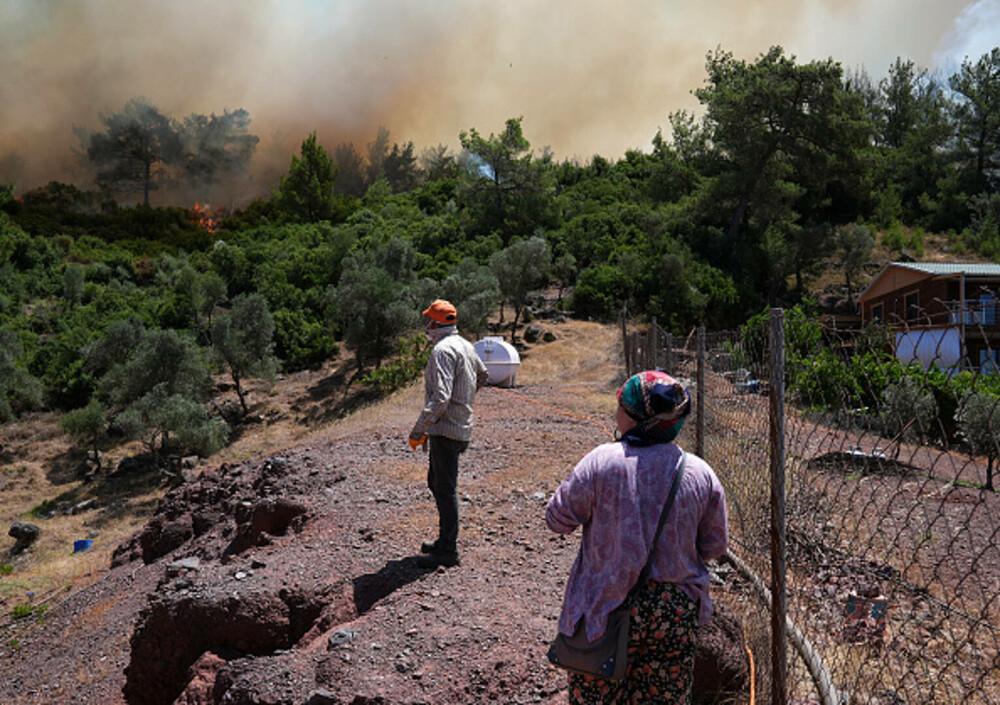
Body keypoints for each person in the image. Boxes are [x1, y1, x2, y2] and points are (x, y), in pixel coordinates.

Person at [546, 370, 728, 704]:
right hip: (674, 613)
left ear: (631, 417)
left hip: (605, 605)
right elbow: (714, 547)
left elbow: (558, 520)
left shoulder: (601, 462)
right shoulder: (701, 473)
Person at [409, 299, 489, 568]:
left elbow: (440, 398)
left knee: (445, 488)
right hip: (460, 427)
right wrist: (464, 401)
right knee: (437, 482)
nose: (425, 325)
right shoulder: (466, 345)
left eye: (428, 320)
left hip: (445, 430)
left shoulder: (441, 351)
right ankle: (444, 541)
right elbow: (483, 374)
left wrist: (419, 429)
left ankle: (448, 551)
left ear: (435, 323)